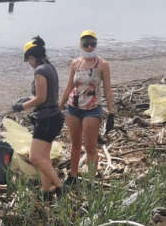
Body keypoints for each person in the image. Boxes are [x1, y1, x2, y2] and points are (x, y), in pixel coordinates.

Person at [58, 30, 115, 182]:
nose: (89, 47)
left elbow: (108, 90)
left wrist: (111, 112)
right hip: (73, 108)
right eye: (86, 44)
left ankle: (90, 180)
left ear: (96, 44)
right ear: (80, 45)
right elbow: (69, 86)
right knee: (75, 145)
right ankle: (73, 175)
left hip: (92, 109)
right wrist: (59, 107)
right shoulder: (75, 63)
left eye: (93, 44)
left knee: (90, 147)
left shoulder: (102, 64)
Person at [12, 36, 64, 197]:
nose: (29, 63)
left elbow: (41, 98)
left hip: (46, 119)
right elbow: (44, 96)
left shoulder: (39, 71)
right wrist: (27, 99)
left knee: (35, 157)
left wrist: (21, 106)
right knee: (44, 157)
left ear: (32, 57)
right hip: (54, 116)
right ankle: (46, 190)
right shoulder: (49, 67)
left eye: (28, 60)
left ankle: (60, 186)